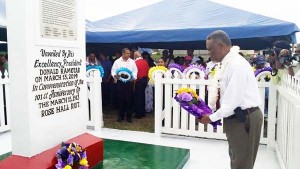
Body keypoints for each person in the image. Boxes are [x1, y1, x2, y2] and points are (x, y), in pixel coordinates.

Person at [199, 30, 263, 169]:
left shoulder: (236, 64)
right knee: (237, 159)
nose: (209, 53)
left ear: (221, 45)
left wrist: (211, 117)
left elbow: (231, 101)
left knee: (241, 163)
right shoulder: (228, 63)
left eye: (210, 49)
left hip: (244, 117)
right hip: (238, 117)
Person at [111, 48, 138, 123]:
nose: (129, 55)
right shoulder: (117, 62)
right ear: (123, 53)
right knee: (120, 99)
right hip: (120, 83)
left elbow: (135, 71)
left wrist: (133, 78)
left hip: (129, 83)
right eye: (127, 53)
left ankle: (128, 116)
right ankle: (121, 116)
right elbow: (113, 71)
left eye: (129, 53)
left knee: (129, 99)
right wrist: (115, 76)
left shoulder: (132, 62)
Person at [133, 50, 149, 118]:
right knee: (142, 96)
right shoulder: (145, 62)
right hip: (145, 80)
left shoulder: (135, 62)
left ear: (135, 56)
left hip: (138, 81)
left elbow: (135, 74)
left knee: (138, 97)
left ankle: (138, 113)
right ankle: (142, 112)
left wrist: (133, 84)